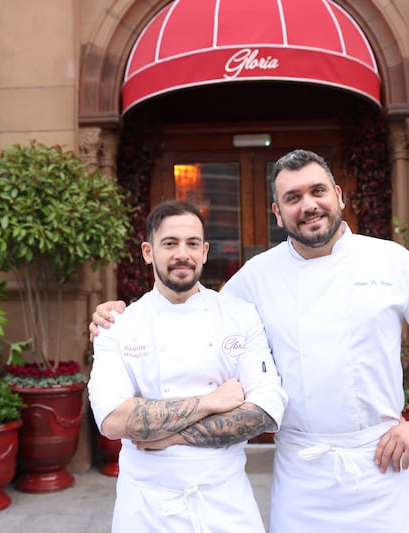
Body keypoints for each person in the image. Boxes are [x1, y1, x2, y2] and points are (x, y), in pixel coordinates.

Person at [90, 150, 409, 532]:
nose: (309, 205)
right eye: (293, 198)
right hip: (300, 472)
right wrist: (117, 318)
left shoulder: (390, 261)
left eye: (318, 191)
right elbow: (192, 313)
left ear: (338, 196)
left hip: (379, 461)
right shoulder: (256, 276)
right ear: (278, 213)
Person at [88, 200, 288, 533]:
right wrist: (210, 402)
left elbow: (266, 410)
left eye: (192, 243)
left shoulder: (239, 316)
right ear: (148, 252)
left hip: (226, 501)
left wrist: (172, 436)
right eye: (170, 243)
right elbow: (111, 419)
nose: (183, 253)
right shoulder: (119, 326)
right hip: (146, 506)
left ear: (205, 251)